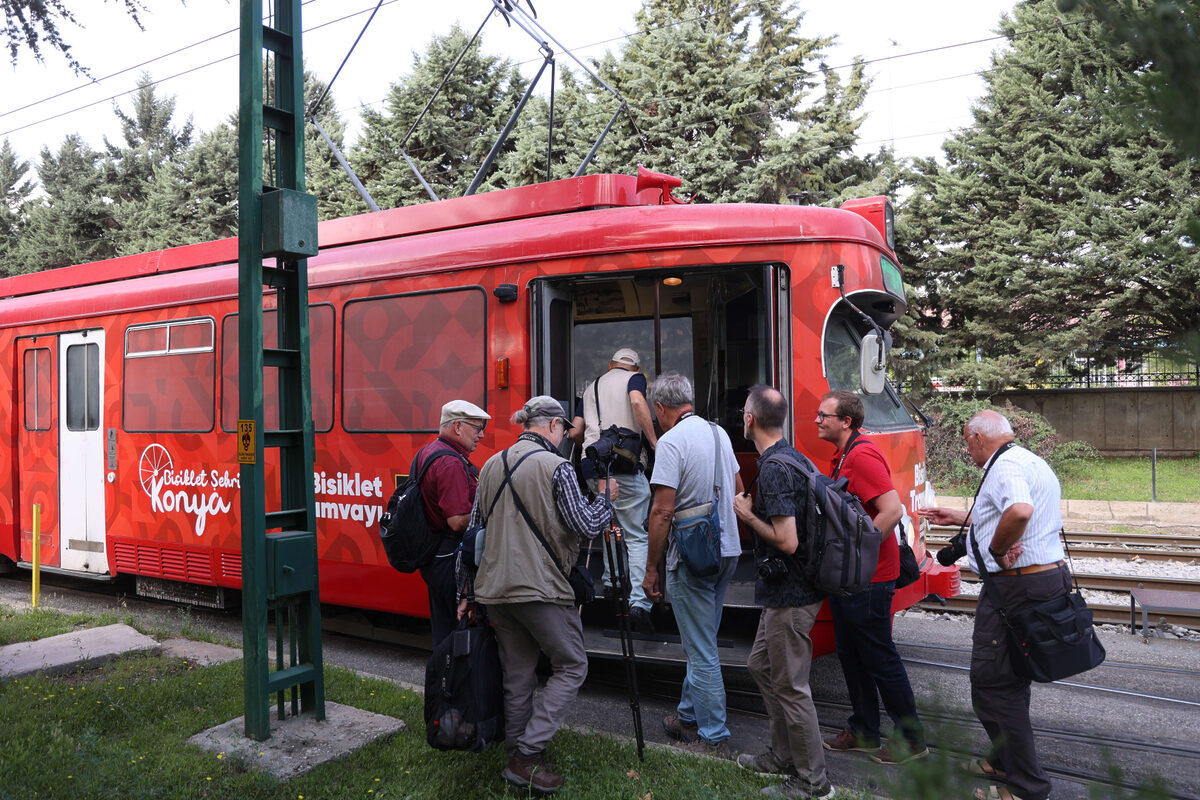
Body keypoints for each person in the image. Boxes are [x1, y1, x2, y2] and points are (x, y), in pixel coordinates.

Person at [466, 396, 616, 795]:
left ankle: (518, 754)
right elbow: (584, 525)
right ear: (553, 426)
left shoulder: (490, 465)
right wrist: (606, 500)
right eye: (565, 430)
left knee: (518, 675)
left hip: (495, 589)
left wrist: (468, 590)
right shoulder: (557, 466)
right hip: (541, 587)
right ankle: (528, 754)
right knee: (571, 666)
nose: (566, 437)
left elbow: (474, 536)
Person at [918, 410, 1067, 800]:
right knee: (1012, 680)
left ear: (979, 439)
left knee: (992, 686)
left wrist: (998, 548)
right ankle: (1004, 762)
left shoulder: (1003, 468)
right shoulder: (1030, 460)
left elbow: (1019, 511)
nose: (969, 452)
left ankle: (1027, 787)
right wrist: (967, 518)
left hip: (1015, 587)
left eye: (968, 444)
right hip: (1039, 582)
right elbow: (1013, 511)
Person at [732, 385, 835, 800]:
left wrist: (746, 515)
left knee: (792, 686)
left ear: (750, 419)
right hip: (787, 591)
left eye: (743, 412)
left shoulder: (775, 468)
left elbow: (787, 540)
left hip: (792, 594)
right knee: (760, 666)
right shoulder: (795, 456)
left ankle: (813, 782)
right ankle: (781, 754)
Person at [815, 390, 927, 765]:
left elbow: (892, 510)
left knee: (879, 658)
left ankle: (911, 740)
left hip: (869, 578)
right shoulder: (845, 453)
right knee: (852, 654)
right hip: (855, 579)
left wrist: (856, 555)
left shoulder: (861, 455)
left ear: (846, 422)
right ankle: (863, 730)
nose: (817, 420)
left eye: (824, 415)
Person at [642, 372, 741, 757]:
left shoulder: (671, 442)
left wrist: (652, 568)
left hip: (693, 556)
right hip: (727, 550)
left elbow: (662, 511)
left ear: (662, 408)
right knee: (702, 639)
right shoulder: (719, 433)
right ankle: (686, 717)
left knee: (701, 651)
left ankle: (714, 737)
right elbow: (736, 482)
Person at [570, 347, 657, 632]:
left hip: (592, 466)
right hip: (624, 464)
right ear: (635, 368)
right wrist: (656, 443)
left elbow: (575, 432)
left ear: (610, 365)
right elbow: (636, 402)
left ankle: (611, 582)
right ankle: (640, 603)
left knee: (610, 524)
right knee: (636, 534)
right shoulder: (635, 379)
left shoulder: (591, 387)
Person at [414, 399, 490, 647]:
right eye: (477, 428)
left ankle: (444, 680)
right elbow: (457, 521)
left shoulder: (428, 450)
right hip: (449, 557)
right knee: (457, 633)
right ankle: (454, 682)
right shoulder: (451, 462)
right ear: (458, 426)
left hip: (434, 555)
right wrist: (491, 514)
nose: (480, 435)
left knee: (443, 629)